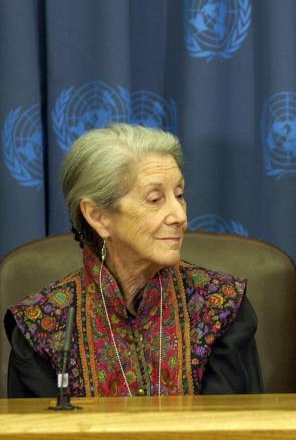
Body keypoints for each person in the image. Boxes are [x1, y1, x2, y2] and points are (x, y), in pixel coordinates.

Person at [4, 123, 263, 397]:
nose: (180, 216)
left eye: (179, 195)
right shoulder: (41, 326)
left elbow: (237, 428)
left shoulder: (220, 305)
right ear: (97, 216)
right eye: (155, 199)